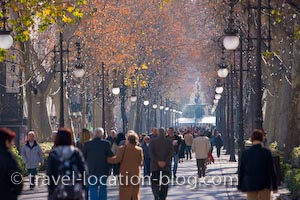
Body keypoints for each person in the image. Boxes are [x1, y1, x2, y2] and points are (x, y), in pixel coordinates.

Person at [47, 128, 88, 200]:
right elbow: (84, 170)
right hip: (75, 189)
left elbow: (50, 173)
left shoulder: (54, 154)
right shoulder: (76, 152)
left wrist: (50, 191)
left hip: (59, 190)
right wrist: (83, 187)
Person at [238, 129, 278, 200]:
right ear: (262, 139)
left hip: (250, 185)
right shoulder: (266, 152)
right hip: (264, 185)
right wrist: (275, 187)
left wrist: (240, 185)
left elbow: (241, 171)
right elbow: (272, 170)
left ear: (252, 139)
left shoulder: (246, 153)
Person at [107, 131, 143, 200]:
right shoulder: (139, 150)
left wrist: (107, 159)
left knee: (125, 193)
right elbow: (140, 162)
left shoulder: (122, 148)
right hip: (135, 173)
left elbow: (117, 159)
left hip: (125, 174)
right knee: (135, 193)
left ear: (128, 140)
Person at [83, 127, 113, 200]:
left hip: (91, 170)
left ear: (93, 134)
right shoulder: (106, 144)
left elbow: (83, 156)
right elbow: (110, 157)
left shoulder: (87, 144)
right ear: (102, 135)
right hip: (103, 170)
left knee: (93, 189)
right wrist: (110, 168)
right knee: (103, 188)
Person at [149, 128, 173, 200]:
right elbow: (171, 153)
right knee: (165, 181)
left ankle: (156, 194)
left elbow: (151, 153)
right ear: (164, 133)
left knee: (154, 181)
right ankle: (163, 196)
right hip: (166, 164)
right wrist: (165, 161)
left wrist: (157, 161)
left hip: (155, 165)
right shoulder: (168, 142)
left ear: (158, 133)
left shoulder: (153, 141)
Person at [0, 128, 23, 200]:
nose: (13, 143)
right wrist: (15, 192)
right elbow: (16, 177)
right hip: (6, 195)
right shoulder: (9, 157)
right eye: (11, 141)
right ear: (6, 142)